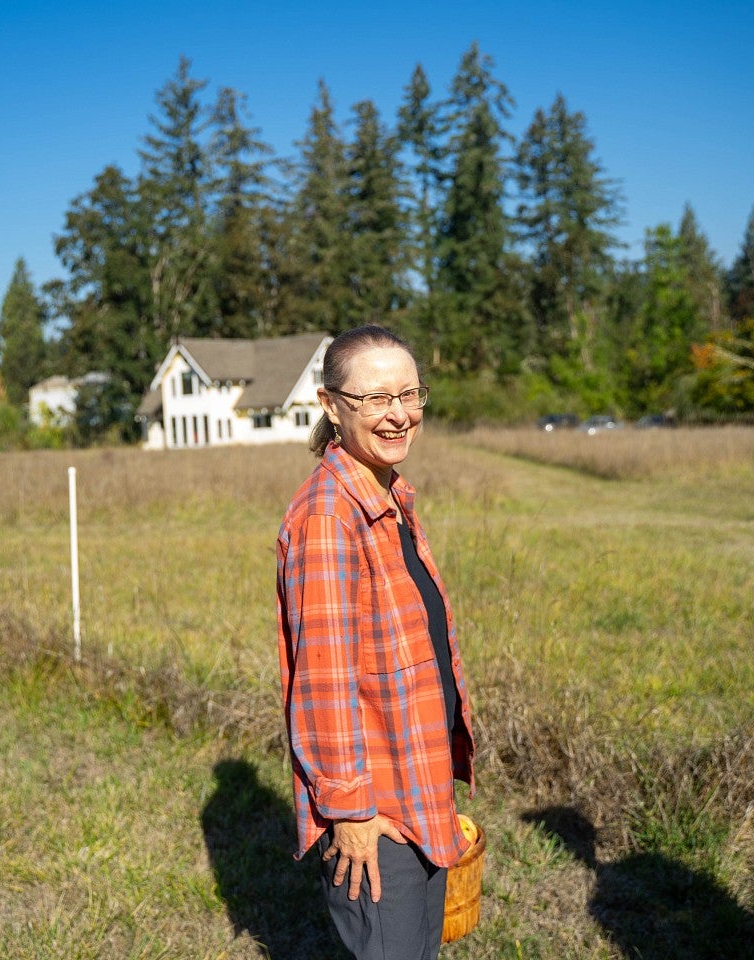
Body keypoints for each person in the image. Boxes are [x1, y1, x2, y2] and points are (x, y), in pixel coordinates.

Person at [276, 325, 474, 960]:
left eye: (411, 395)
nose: (400, 415)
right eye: (377, 398)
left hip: (413, 778)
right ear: (332, 406)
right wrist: (351, 812)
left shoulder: (388, 496)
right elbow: (325, 681)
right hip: (376, 806)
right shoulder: (330, 516)